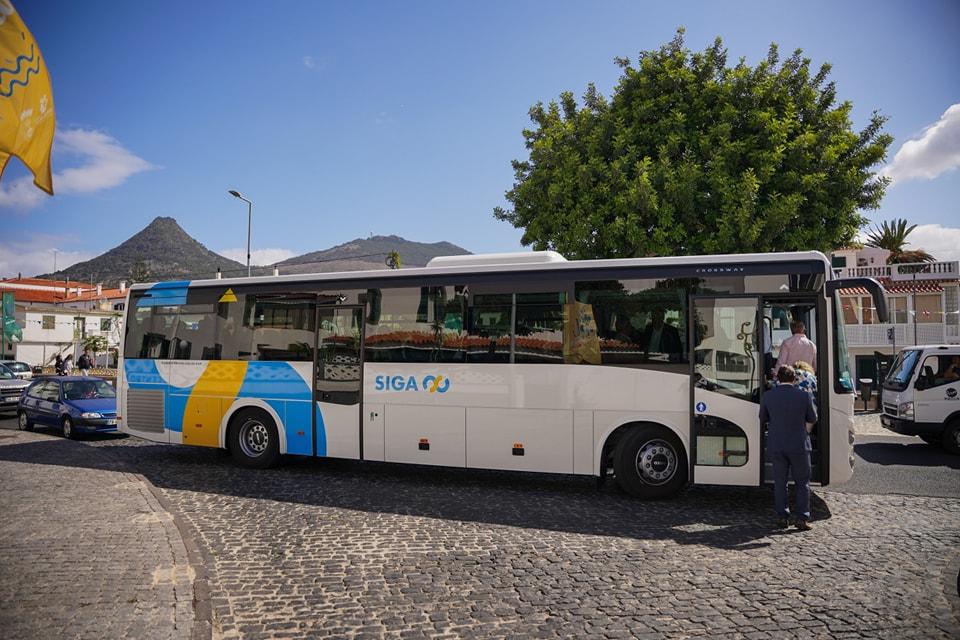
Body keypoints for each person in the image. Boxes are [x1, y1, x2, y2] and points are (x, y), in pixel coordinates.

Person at [759, 365, 818, 531]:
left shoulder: (768, 396)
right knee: (802, 483)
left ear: (778, 378)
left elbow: (762, 418)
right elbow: (812, 417)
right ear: (794, 379)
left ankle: (782, 517)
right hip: (799, 444)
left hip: (777, 444)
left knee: (780, 482)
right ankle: (802, 518)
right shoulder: (803, 396)